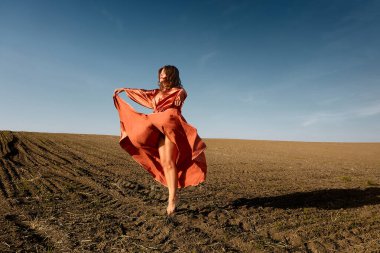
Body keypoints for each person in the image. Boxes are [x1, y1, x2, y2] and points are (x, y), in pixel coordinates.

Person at [113, 65, 207, 215]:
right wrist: (124, 90)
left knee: (169, 162)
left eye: (165, 74)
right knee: (165, 163)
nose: (162, 76)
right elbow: (142, 94)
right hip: (157, 127)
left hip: (170, 126)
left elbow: (179, 99)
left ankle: (172, 199)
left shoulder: (179, 91)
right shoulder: (156, 93)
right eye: (160, 74)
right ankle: (173, 195)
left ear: (171, 75)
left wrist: (173, 99)